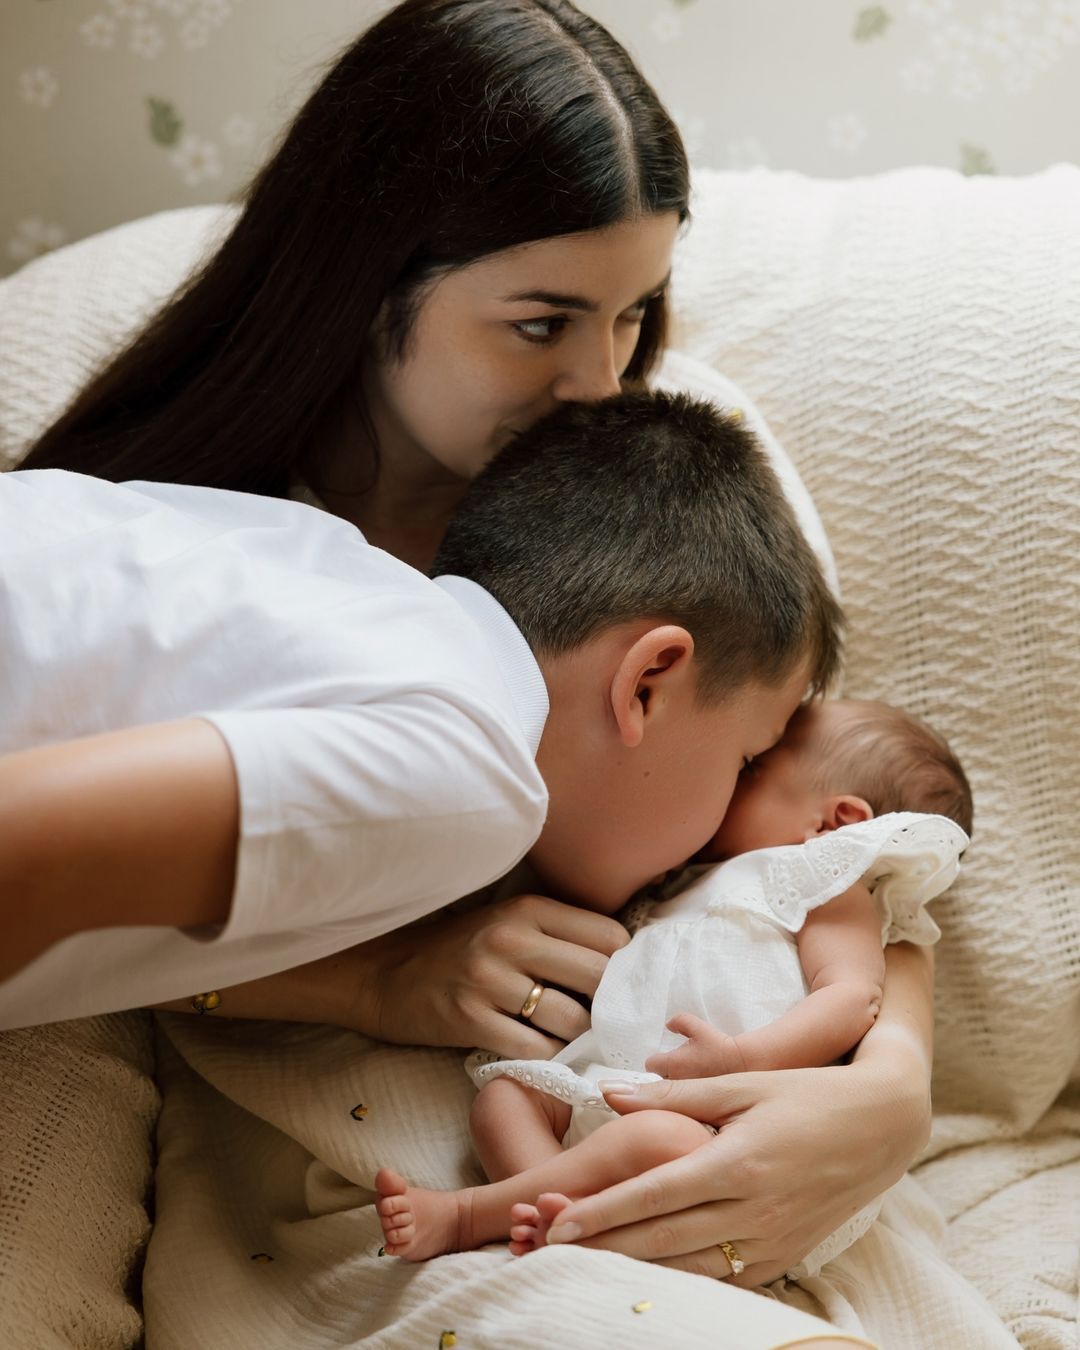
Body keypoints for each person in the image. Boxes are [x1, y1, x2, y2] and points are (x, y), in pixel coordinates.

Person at [6, 0, 941, 1302]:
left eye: (634, 313)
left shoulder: (667, 466)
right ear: (367, 277)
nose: (600, 384)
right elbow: (102, 912)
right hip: (385, 1132)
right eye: (543, 321)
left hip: (645, 1083)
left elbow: (823, 808)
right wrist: (380, 979)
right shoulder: (228, 533)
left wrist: (896, 1074)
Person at [0, 390, 838, 1020]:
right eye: (747, 761)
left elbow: (109, 918)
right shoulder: (472, 766)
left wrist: (369, 986)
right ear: (648, 683)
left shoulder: (316, 555)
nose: (734, 828)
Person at [373, 697, 972, 1275]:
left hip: (715, 1127)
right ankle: (557, 1210)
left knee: (651, 1138)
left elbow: (851, 997)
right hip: (608, 1082)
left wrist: (746, 1057)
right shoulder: (681, 880)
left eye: (755, 767)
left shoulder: (824, 883)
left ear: (836, 822)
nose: (734, 778)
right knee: (505, 1100)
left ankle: (469, 1216)